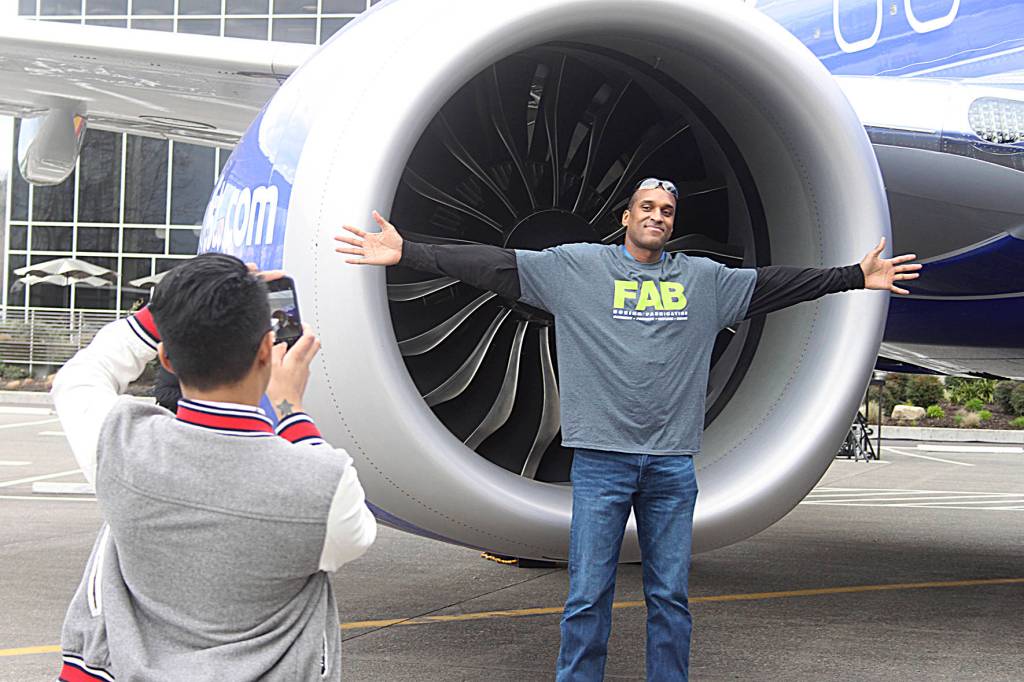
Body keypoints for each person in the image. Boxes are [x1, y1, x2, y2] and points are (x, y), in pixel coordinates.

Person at [335, 177, 921, 681]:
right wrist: (408, 251)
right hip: (602, 463)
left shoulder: (705, 280)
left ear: (672, 223)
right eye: (647, 208)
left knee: (670, 597)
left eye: (666, 212)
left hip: (670, 464)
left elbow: (776, 284)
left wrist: (852, 276)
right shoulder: (577, 268)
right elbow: (492, 265)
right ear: (626, 217)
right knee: (588, 594)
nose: (657, 218)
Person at [51, 253, 377, 682]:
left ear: (166, 357)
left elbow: (80, 376)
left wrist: (168, 310)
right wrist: (290, 408)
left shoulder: (122, 445)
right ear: (267, 350)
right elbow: (356, 534)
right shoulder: (323, 485)